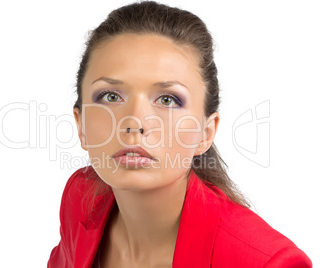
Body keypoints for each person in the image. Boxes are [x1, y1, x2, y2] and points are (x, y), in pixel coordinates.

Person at [48, 1, 312, 267]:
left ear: (205, 134)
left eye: (167, 100)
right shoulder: (80, 197)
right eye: (111, 96)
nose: (134, 122)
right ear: (80, 125)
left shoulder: (267, 262)